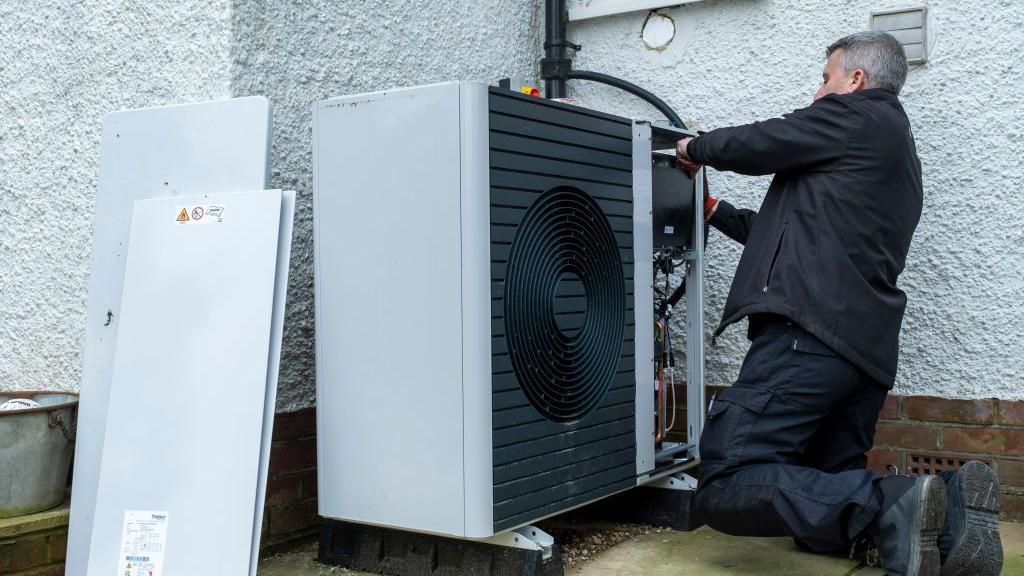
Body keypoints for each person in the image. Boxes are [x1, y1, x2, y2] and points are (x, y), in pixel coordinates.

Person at [675, 31, 1003, 576]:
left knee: (727, 482)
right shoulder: (893, 153)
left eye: (825, 78)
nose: (816, 92)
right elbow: (789, 232)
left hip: (809, 340)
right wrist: (714, 211)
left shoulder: (857, 115)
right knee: (823, 510)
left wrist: (696, 148)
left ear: (854, 80)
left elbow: (763, 140)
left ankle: (893, 499)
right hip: (861, 356)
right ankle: (950, 514)